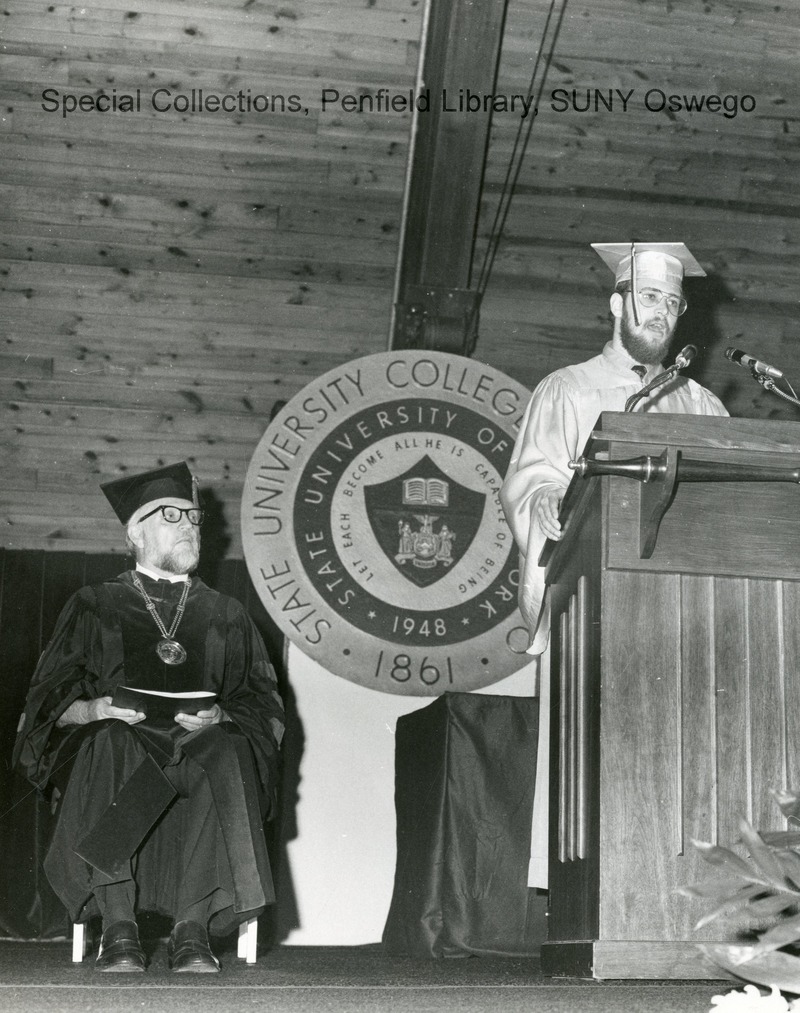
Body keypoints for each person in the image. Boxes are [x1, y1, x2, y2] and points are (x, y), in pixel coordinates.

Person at [500, 242, 728, 886]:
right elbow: (533, 476)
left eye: (673, 304)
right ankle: (595, 893)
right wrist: (546, 498)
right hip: (597, 604)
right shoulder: (568, 389)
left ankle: (690, 887)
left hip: (691, 612)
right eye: (650, 298)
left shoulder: (703, 407)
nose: (661, 314)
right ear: (616, 304)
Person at [13, 462, 284, 973]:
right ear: (136, 531)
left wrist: (222, 714)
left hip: (196, 749)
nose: (189, 525)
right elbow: (44, 702)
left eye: (195, 518)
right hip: (119, 752)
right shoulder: (95, 605)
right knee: (112, 737)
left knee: (228, 747)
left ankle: (192, 928)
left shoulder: (225, 613)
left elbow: (263, 705)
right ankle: (118, 926)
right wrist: (93, 709)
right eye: (172, 515)